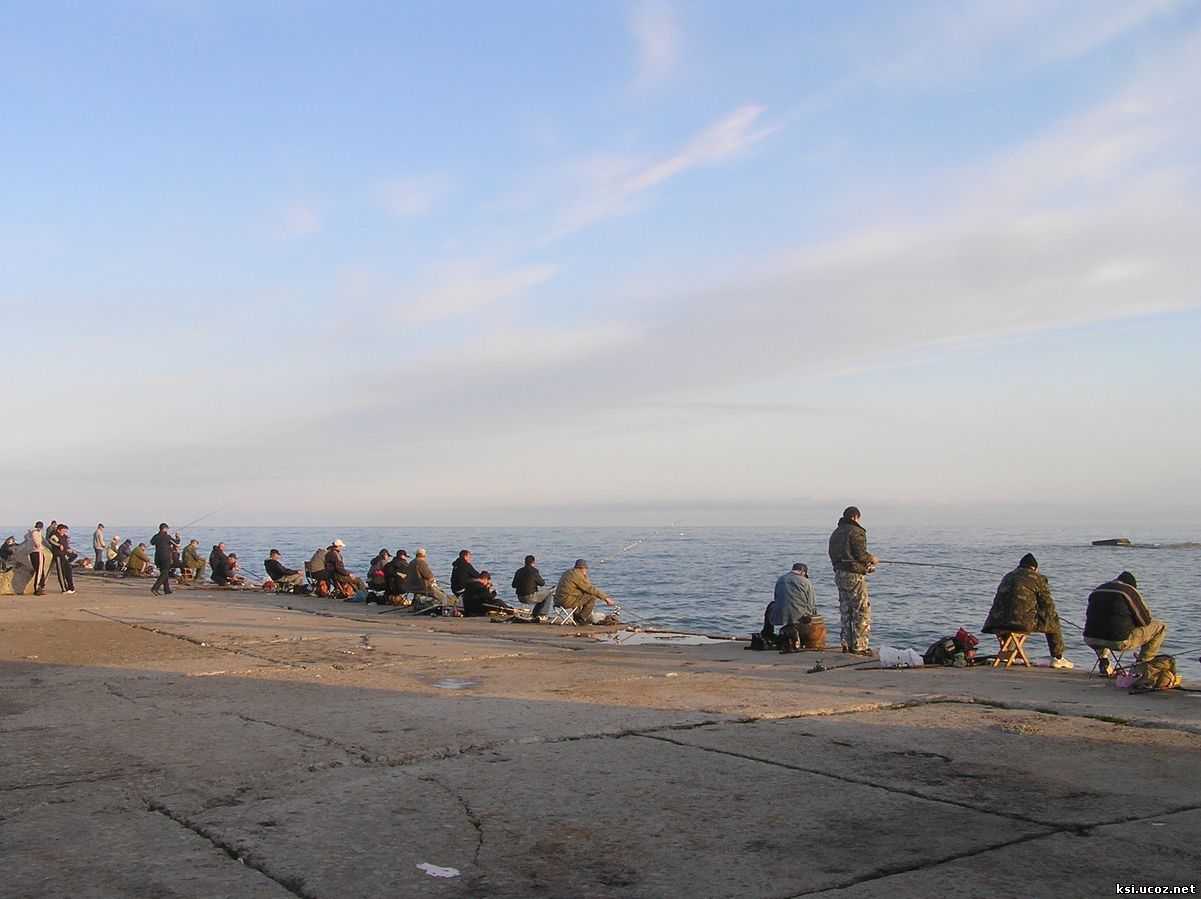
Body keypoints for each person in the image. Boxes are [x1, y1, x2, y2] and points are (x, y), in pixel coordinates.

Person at [983, 553, 1074, 669]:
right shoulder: (1038, 578)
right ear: (1034, 568)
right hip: (1020, 623)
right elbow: (1048, 605)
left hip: (995, 622)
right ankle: (1057, 658)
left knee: (1008, 615)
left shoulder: (1008, 576)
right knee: (1053, 618)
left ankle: (1007, 652)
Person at [1084, 571, 1167, 677]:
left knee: (1101, 626)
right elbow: (1145, 620)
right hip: (1118, 641)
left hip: (1090, 639)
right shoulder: (1129, 591)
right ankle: (1143, 666)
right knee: (1160, 626)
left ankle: (1104, 663)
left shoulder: (1097, 590)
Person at [828, 506, 878, 654]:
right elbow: (860, 554)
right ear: (855, 517)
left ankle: (846, 644)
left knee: (846, 610)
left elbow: (832, 554)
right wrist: (872, 559)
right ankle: (860, 646)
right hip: (854, 576)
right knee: (861, 610)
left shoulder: (836, 533)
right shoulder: (856, 531)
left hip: (839, 574)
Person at [770, 563, 817, 652]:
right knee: (804, 615)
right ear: (802, 572)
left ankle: (769, 633)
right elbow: (811, 602)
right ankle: (795, 637)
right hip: (799, 615)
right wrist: (812, 614)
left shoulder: (780, 579)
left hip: (779, 613)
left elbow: (776, 597)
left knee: (772, 606)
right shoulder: (806, 581)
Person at [553, 559, 615, 625]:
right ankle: (582, 618)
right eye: (586, 569)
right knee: (592, 597)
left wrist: (584, 576)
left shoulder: (568, 572)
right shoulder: (577, 575)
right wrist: (606, 598)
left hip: (557, 600)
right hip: (565, 601)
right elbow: (591, 589)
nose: (586, 570)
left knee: (579, 595)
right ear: (582, 568)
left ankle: (576, 618)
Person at [149, 523, 180, 596]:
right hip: (165, 557)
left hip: (157, 557)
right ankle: (155, 588)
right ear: (165, 529)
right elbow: (177, 544)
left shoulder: (156, 536)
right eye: (167, 529)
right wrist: (177, 537)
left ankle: (167, 590)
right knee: (165, 573)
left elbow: (151, 542)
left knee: (164, 572)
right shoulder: (167, 537)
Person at [47, 523, 76, 594]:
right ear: (58, 530)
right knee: (61, 572)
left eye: (65, 531)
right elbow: (50, 540)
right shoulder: (55, 535)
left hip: (64, 555)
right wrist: (59, 545)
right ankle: (64, 589)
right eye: (63, 531)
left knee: (68, 571)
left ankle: (71, 588)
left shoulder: (65, 537)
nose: (64, 532)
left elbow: (66, 546)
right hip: (58, 555)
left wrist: (69, 549)